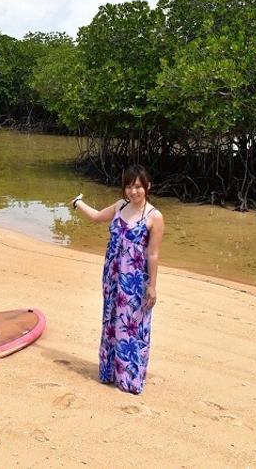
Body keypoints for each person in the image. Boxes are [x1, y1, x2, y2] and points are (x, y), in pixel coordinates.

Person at [70, 164, 164, 394]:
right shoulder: (120, 206)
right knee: (112, 322)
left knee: (132, 327)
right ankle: (109, 372)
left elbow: (153, 253)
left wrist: (152, 285)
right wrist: (78, 203)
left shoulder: (154, 216)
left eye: (138, 187)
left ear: (147, 187)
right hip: (112, 275)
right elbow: (96, 217)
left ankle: (129, 378)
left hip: (134, 281)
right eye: (129, 186)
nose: (133, 191)